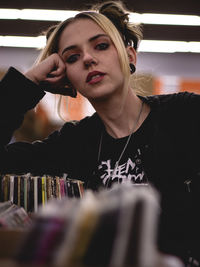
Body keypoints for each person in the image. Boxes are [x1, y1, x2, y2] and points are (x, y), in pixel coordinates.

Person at [0, 0, 199, 264]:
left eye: (101, 46)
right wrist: (29, 81)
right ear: (66, 77)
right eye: (72, 57)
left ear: (130, 56)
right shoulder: (72, 144)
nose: (88, 58)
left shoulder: (185, 114)